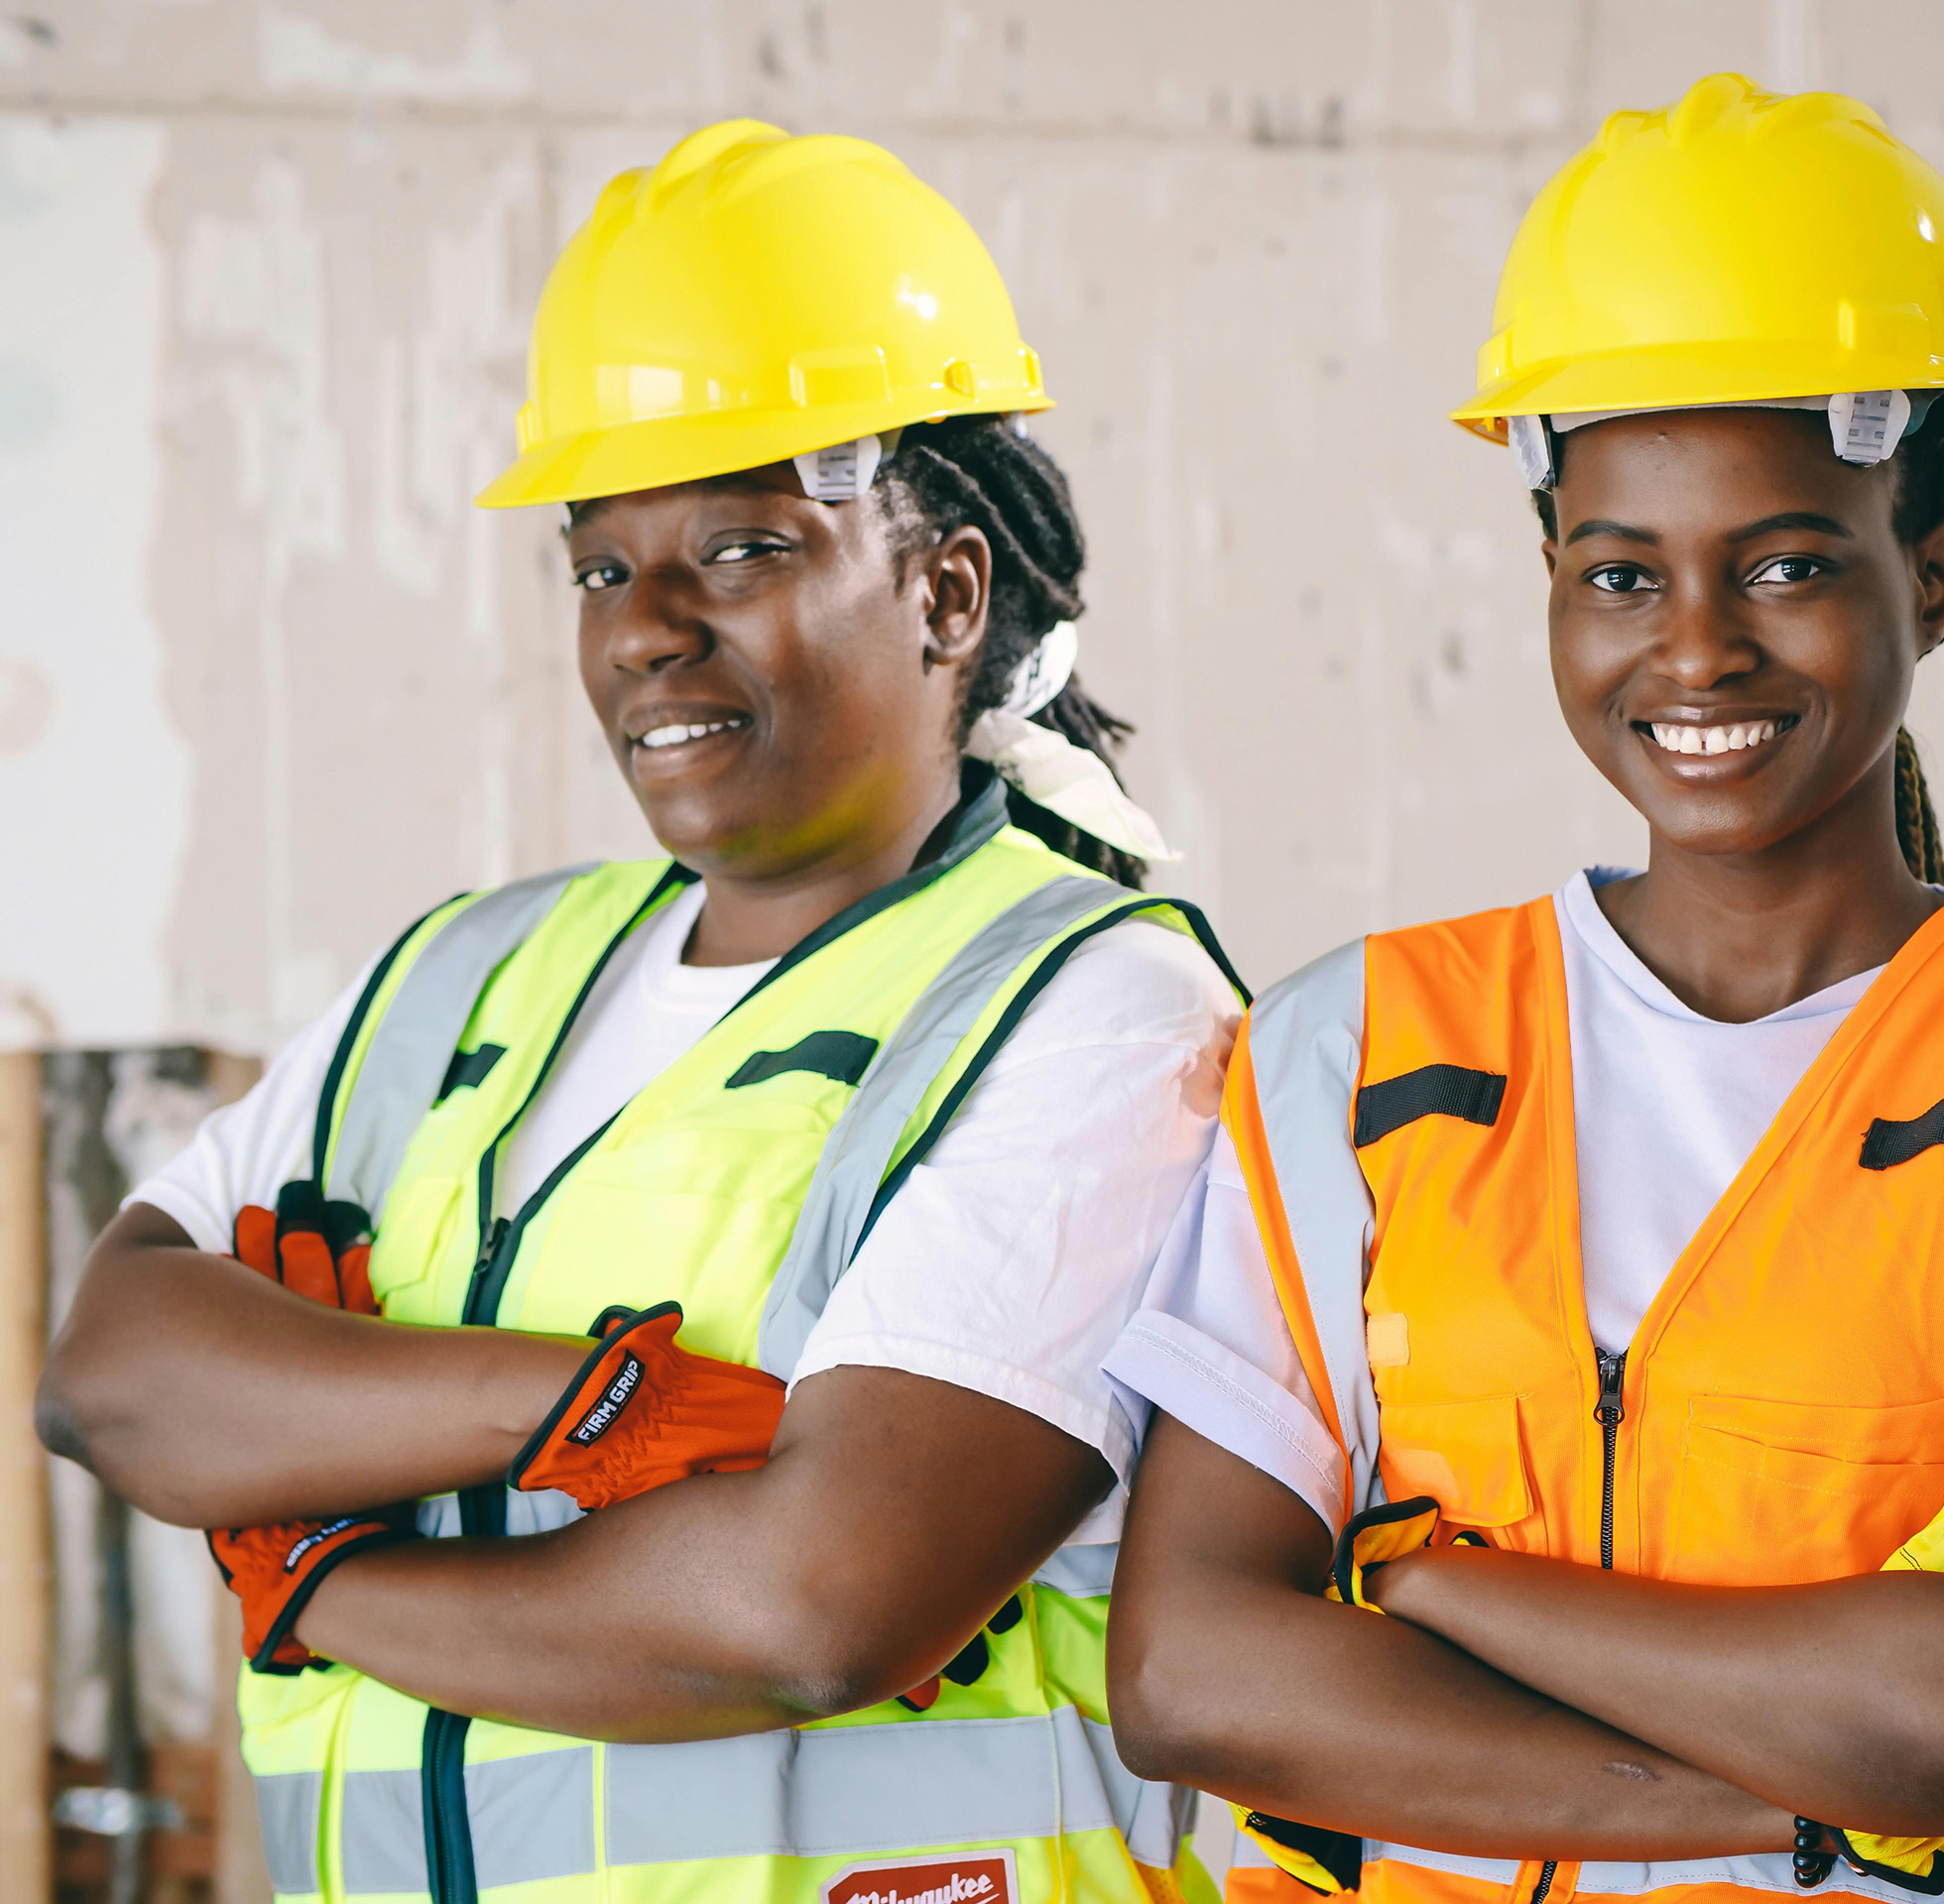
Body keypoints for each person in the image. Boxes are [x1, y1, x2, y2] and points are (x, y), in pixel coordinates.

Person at [1102, 74, 1944, 1904]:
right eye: (1619, 574)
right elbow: (1190, 1674)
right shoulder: (1352, 1053)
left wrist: (1427, 1577)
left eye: (1789, 564)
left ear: (1942, 569)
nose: (1693, 650)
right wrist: (1815, 1797)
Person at [39, 121, 1244, 1904]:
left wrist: (318, 1565)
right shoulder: (457, 980)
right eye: (604, 567)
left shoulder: (1098, 1008)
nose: (647, 633)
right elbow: (116, 1375)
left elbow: (808, 1603)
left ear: (944, 592)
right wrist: (591, 1405)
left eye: (742, 550)